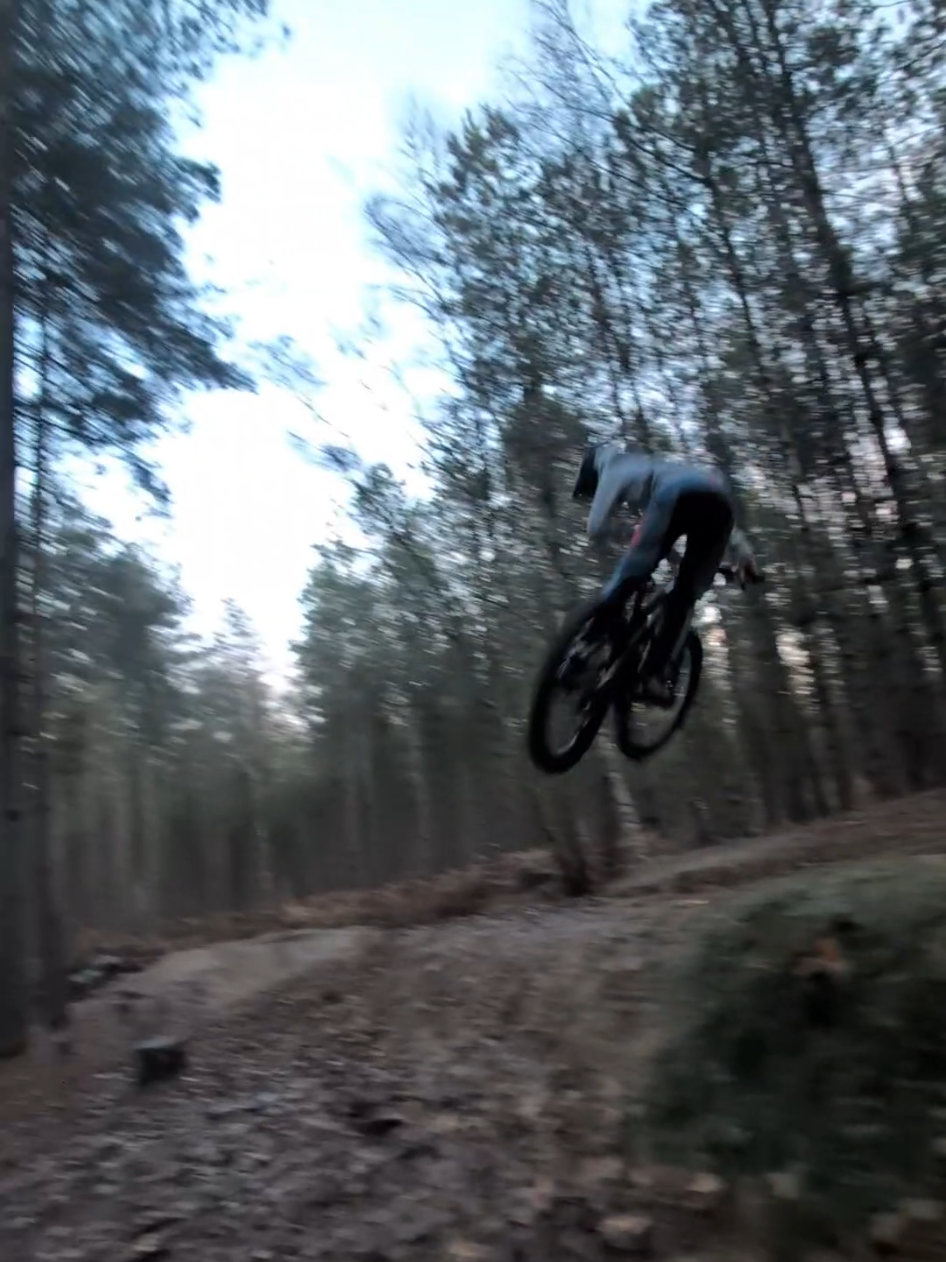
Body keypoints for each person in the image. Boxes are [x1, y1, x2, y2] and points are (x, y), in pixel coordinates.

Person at [572, 440, 759, 706]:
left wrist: (629, 535)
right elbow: (691, 508)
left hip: (674, 499)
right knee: (685, 594)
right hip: (719, 508)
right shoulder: (654, 467)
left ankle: (586, 643)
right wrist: (744, 553)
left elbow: (596, 527)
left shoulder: (613, 467)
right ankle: (653, 677)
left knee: (631, 573)